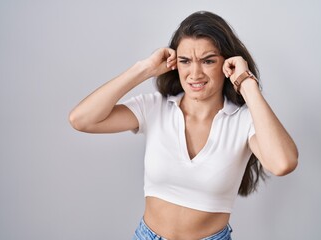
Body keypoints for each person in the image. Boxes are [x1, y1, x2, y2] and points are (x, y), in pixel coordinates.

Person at [69, 11, 298, 240]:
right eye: (185, 61)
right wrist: (144, 69)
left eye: (208, 61)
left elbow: (282, 163)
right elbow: (81, 119)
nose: (195, 73)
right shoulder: (155, 107)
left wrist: (246, 83)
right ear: (174, 64)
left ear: (227, 64)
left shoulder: (244, 120)